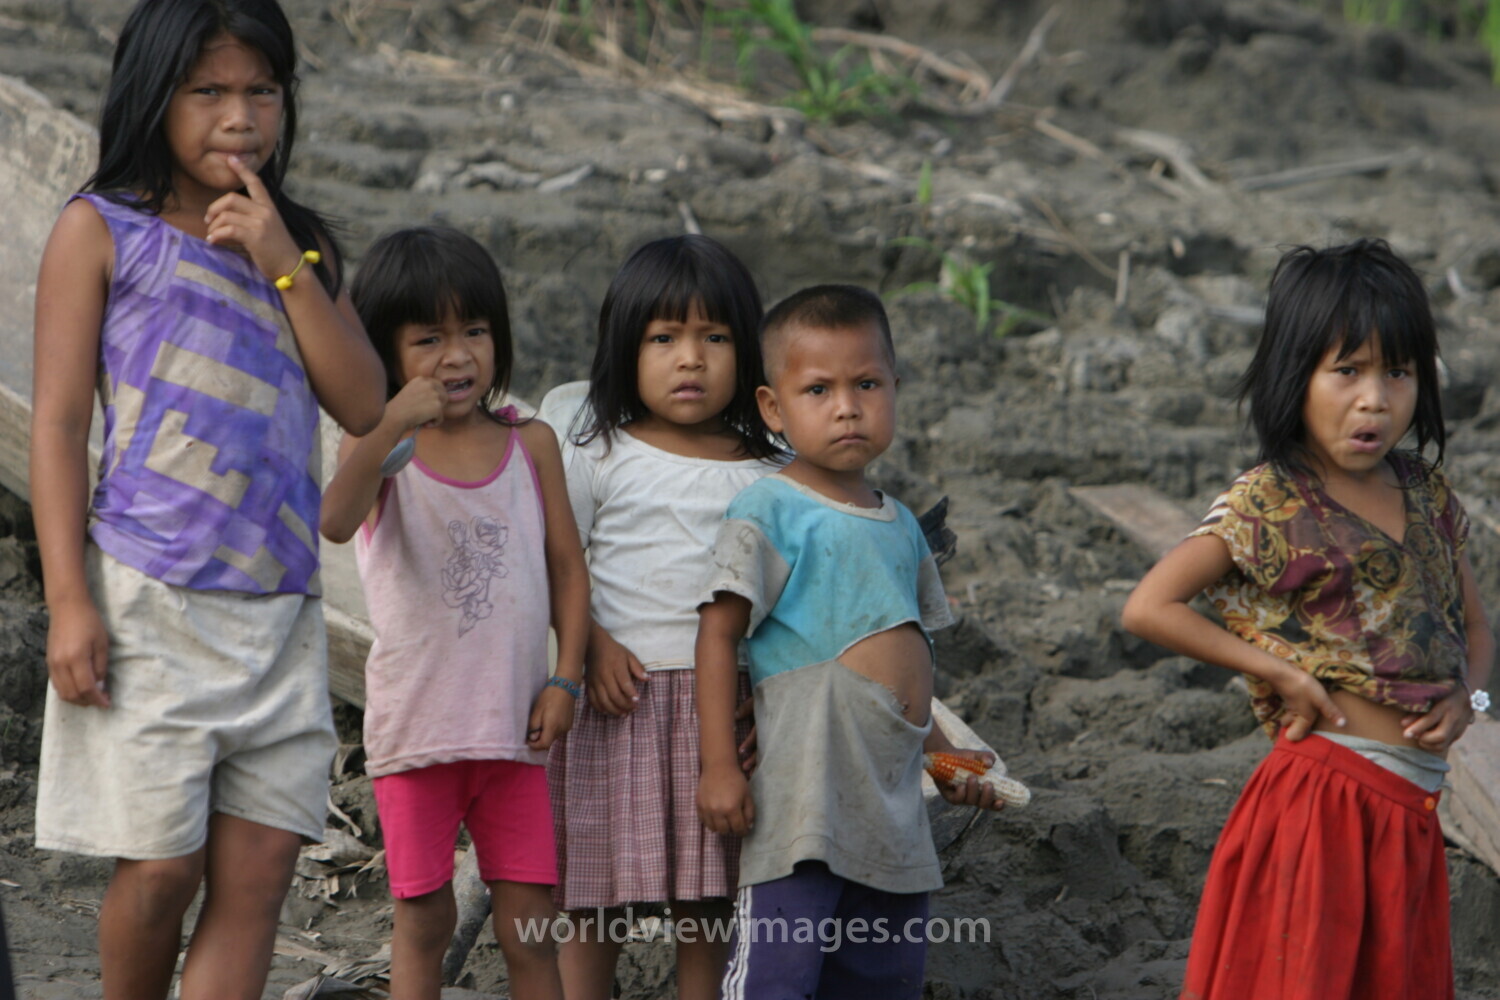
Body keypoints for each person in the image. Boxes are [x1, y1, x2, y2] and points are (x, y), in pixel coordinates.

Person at [29, 1, 386, 998]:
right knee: (160, 869)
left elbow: (361, 400)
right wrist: (69, 598)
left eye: (260, 92)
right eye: (211, 92)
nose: (240, 117)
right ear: (155, 95)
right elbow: (58, 426)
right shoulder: (101, 231)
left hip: (281, 608)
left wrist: (285, 263)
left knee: (261, 869)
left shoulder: (297, 242)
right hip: (152, 597)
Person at [1120, 239, 1494, 1000]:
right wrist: (1277, 670)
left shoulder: (1425, 493)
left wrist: (1469, 698)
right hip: (1323, 807)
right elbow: (1149, 606)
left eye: (1399, 372)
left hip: (1410, 815)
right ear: (1297, 377)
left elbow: (1475, 630)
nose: (1376, 400)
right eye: (1347, 370)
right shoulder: (1272, 500)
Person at [696, 285, 1001, 1000]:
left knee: (881, 980)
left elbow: (910, 666)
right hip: (805, 805)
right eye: (819, 389)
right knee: (775, 979)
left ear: (894, 386)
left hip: (891, 814)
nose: (847, 406)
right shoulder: (772, 508)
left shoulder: (899, 526)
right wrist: (719, 765)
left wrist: (946, 763)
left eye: (866, 384)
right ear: (774, 408)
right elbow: (718, 634)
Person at [320, 227, 589, 1000]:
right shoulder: (380, 453)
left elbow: (569, 569)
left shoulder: (530, 443)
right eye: (427, 338)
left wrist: (565, 679)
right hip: (417, 732)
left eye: (473, 331)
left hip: (515, 730)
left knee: (531, 923)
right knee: (424, 921)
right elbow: (335, 521)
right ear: (385, 353)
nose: (456, 356)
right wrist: (386, 421)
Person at [543, 234, 784, 1000]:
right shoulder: (597, 448)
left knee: (708, 893)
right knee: (593, 894)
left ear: (748, 355)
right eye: (665, 338)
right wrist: (590, 650)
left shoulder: (771, 465)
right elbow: (556, 561)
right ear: (626, 348)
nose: (691, 359)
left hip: (725, 711)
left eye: (715, 338)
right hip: (616, 699)